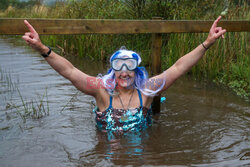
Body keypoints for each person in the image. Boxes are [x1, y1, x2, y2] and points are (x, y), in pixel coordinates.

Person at [22, 16, 226, 132]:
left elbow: (178, 68)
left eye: (130, 68)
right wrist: (42, 48)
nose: (125, 73)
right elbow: (70, 71)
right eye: (119, 68)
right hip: (108, 154)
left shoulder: (147, 91)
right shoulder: (101, 92)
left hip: (139, 153)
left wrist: (207, 43)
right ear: (113, 71)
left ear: (137, 71)